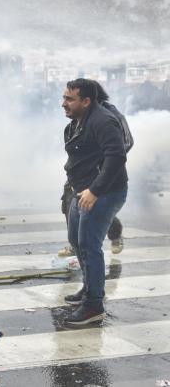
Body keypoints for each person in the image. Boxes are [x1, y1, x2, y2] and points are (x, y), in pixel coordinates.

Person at [61, 78, 128, 325]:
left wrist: (95, 190)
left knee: (89, 245)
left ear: (86, 101)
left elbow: (116, 156)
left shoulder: (102, 120)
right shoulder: (79, 120)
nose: (63, 104)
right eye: (64, 97)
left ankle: (94, 305)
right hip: (81, 190)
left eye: (70, 99)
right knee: (76, 241)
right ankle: (89, 288)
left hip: (103, 193)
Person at [58, 80, 133, 257]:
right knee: (69, 205)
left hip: (98, 178)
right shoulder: (80, 116)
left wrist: (99, 164)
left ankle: (114, 234)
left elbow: (123, 146)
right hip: (79, 176)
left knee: (97, 212)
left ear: (89, 99)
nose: (65, 104)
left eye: (71, 98)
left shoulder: (108, 116)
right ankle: (75, 243)